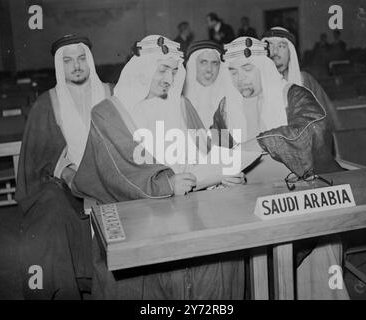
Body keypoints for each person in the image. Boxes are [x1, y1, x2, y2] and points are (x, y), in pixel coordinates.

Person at [72, 35, 246, 299]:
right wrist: (166, 184)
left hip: (190, 204)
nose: (169, 78)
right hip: (136, 211)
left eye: (175, 71)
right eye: (163, 69)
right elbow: (119, 172)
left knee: (225, 251)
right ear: (141, 70)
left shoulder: (182, 105)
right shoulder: (107, 113)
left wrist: (225, 174)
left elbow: (209, 154)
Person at [212, 36, 348, 299]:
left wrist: (261, 142)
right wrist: (223, 174)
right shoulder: (225, 109)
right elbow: (216, 153)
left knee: (322, 246)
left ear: (263, 67)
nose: (240, 79)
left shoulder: (293, 94)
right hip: (247, 206)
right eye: (233, 71)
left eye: (247, 69)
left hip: (300, 197)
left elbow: (314, 129)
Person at [15, 34, 113, 299]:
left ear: (89, 61)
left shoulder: (110, 94)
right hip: (65, 183)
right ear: (60, 66)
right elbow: (39, 155)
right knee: (47, 216)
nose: (76, 66)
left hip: (110, 177)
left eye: (82, 59)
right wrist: (68, 173)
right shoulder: (47, 102)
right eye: (68, 61)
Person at [262, 27, 341, 130]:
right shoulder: (252, 84)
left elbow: (328, 120)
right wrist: (239, 146)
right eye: (270, 46)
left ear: (291, 52)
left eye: (281, 46)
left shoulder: (305, 81)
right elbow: (238, 126)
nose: (275, 52)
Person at [183, 40, 227, 129]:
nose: (209, 69)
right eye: (203, 62)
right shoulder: (179, 102)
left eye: (214, 63)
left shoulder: (229, 102)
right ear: (193, 65)